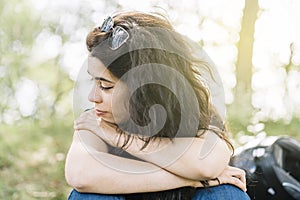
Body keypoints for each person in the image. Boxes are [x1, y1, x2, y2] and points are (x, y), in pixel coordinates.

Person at [65, 11, 250, 200]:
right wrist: (192, 180)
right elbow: (81, 174)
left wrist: (118, 138)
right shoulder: (95, 119)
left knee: (227, 194)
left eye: (105, 86)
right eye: (93, 81)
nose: (92, 97)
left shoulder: (198, 115)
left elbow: (207, 164)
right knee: (90, 196)